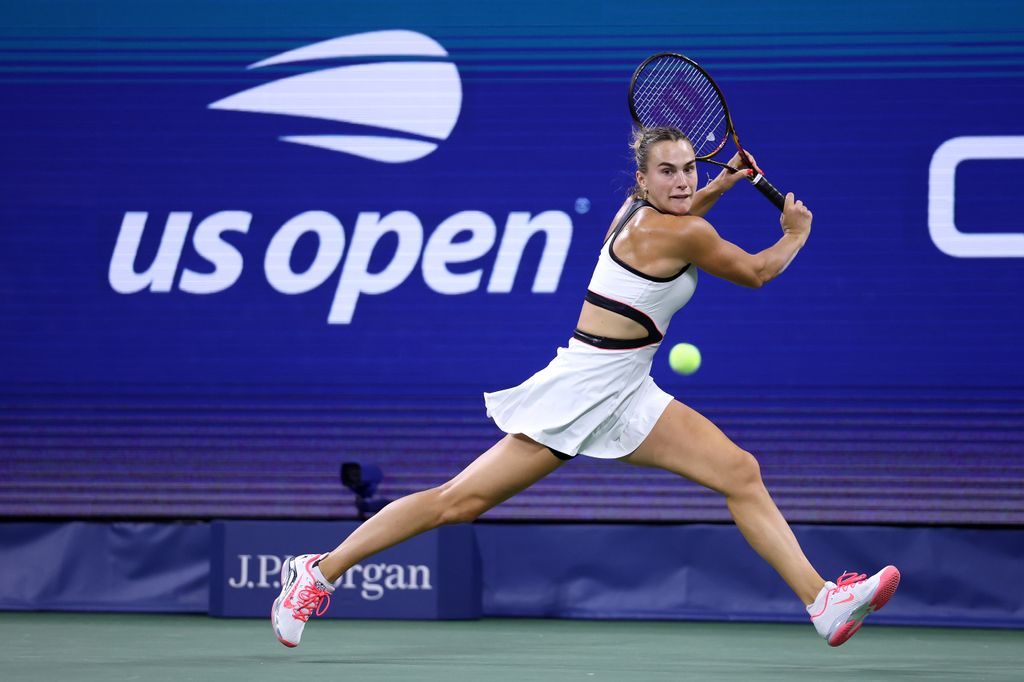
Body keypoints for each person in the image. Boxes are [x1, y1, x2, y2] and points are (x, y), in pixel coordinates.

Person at [271, 126, 900, 649]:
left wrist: (722, 184)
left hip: (629, 389)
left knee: (739, 472)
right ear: (643, 182)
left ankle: (822, 601)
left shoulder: (643, 218)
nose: (683, 182)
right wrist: (795, 232)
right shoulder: (683, 231)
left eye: (689, 169)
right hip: (581, 390)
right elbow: (759, 272)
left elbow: (683, 222)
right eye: (668, 173)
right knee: (456, 503)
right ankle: (316, 572)